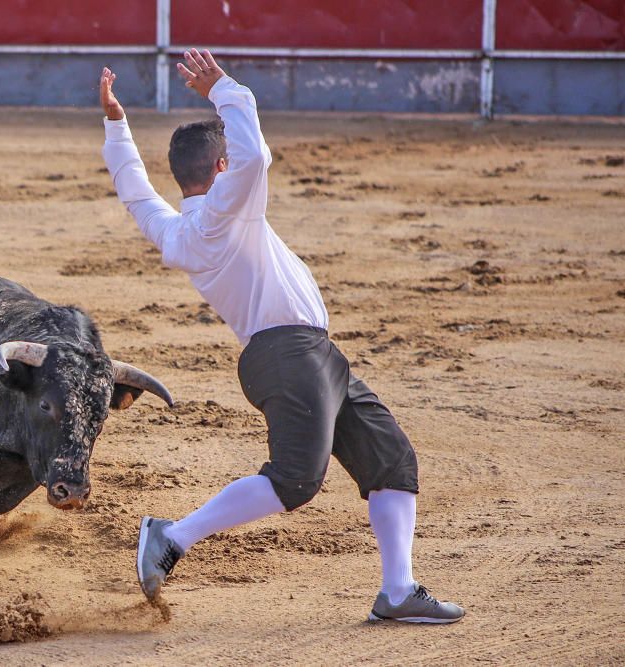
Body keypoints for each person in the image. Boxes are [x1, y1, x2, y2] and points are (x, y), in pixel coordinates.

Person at [99, 49, 465, 624]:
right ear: (219, 170)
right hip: (291, 354)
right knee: (296, 478)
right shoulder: (227, 207)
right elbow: (256, 157)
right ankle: (173, 536)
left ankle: (398, 590)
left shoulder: (176, 231)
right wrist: (225, 89)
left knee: (391, 459)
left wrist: (116, 125)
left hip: (310, 356)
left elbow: (135, 192)